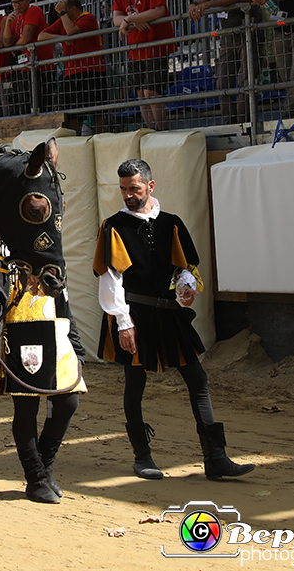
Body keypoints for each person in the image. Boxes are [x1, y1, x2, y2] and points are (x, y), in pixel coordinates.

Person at [95, 159, 253, 481]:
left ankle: (216, 458)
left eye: (134, 189)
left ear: (150, 186)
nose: (128, 195)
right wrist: (123, 323)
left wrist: (186, 285)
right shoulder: (113, 226)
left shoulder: (172, 223)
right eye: (123, 189)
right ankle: (142, 457)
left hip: (168, 314)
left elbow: (184, 267)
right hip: (134, 315)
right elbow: (111, 279)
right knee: (135, 386)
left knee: (198, 380)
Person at [0, 253, 85, 504]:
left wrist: (77, 348)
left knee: (68, 402)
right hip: (20, 338)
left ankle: (45, 465)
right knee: (26, 407)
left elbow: (63, 303)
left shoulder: (53, 258)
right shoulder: (5, 258)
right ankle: (35, 477)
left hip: (56, 336)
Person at [188, 0, 258, 125]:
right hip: (226, 36)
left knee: (246, 81)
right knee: (223, 83)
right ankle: (230, 125)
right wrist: (193, 6)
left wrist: (210, 4)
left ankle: (246, 125)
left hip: (247, 32)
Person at [112, 0, 175, 130]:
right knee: (141, 94)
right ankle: (150, 132)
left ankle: (161, 132)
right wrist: (132, 21)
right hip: (136, 46)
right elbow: (116, 18)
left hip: (155, 44)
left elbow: (159, 10)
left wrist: (130, 19)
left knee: (151, 93)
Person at [38, 0, 106, 127]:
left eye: (63, 10)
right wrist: (62, 37)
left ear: (73, 9)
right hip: (71, 73)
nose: (60, 14)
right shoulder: (63, 21)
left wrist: (63, 14)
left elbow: (71, 31)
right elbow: (41, 36)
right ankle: (74, 141)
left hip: (92, 71)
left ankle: (101, 139)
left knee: (97, 110)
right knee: (71, 113)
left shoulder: (88, 18)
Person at [4, 0, 57, 113]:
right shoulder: (16, 18)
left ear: (28, 0)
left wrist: (15, 47)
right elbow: (7, 43)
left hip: (41, 67)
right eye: (14, 2)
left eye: (20, 1)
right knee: (27, 105)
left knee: (42, 104)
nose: (17, 5)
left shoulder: (34, 10)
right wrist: (7, 24)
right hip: (25, 67)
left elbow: (26, 38)